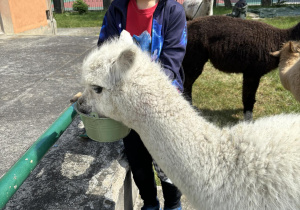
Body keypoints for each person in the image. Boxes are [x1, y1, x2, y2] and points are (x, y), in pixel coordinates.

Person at [97, 0, 187, 209]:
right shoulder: (117, 10)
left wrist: (140, 89)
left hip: (161, 100)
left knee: (167, 160)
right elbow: (104, 50)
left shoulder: (172, 11)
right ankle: (150, 203)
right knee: (137, 159)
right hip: (126, 103)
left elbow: (172, 59)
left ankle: (173, 205)